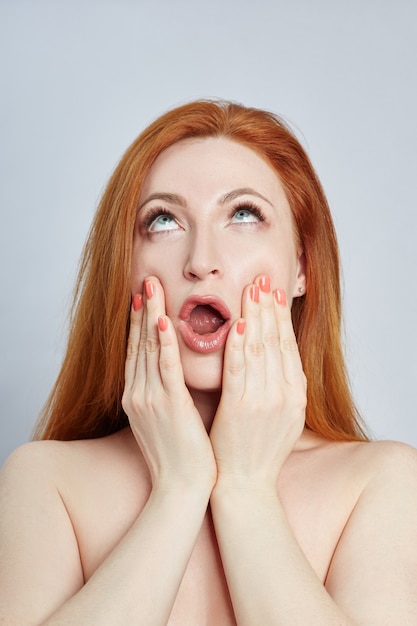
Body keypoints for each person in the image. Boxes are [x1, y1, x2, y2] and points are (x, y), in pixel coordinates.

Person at [1, 100, 416, 625]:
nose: (200, 262)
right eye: (164, 221)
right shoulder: (47, 482)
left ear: (302, 266)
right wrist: (179, 487)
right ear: (125, 270)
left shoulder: (379, 483)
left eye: (243, 214)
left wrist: (245, 488)